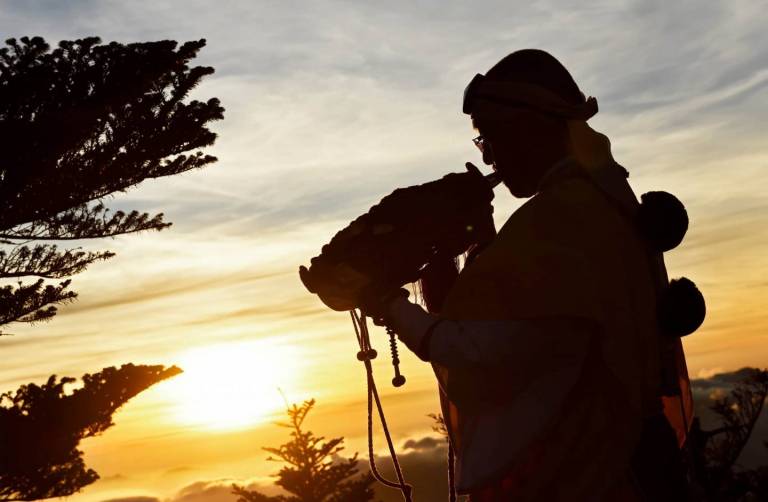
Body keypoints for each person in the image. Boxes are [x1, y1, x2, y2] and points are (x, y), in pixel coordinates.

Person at [378, 50, 693, 501]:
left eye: (488, 139)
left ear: (527, 131)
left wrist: (385, 303)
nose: (488, 160)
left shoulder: (557, 220)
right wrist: (478, 249)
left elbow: (476, 353)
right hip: (635, 465)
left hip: (591, 479)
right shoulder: (603, 201)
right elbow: (537, 332)